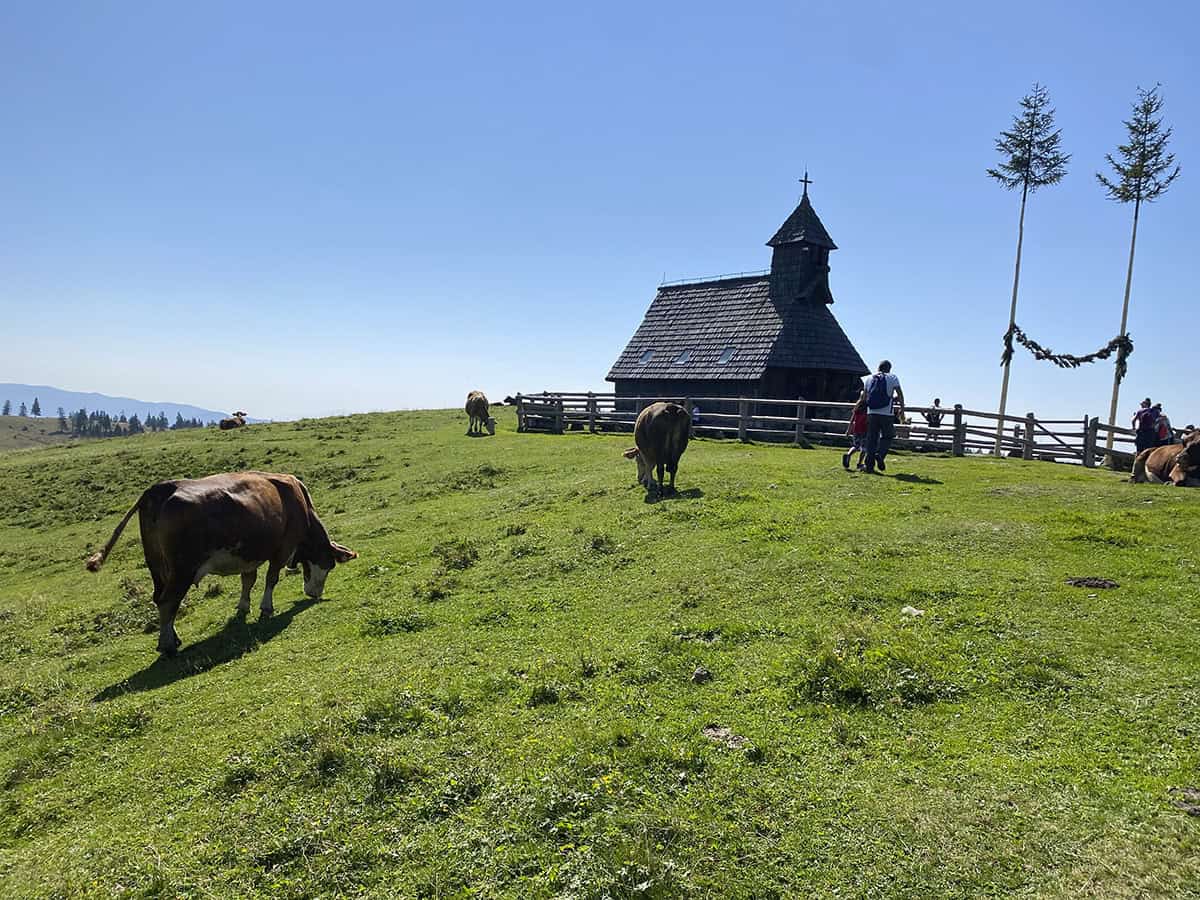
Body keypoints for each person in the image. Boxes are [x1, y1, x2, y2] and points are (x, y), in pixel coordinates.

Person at [862, 360, 904, 474]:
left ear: (878, 367)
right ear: (889, 368)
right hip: (886, 414)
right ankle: (880, 455)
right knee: (888, 436)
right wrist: (902, 410)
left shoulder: (869, 378)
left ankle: (869, 466)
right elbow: (900, 394)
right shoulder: (892, 378)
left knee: (871, 439)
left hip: (871, 413)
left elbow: (864, 397)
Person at [843, 395, 868, 470]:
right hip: (865, 431)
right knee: (864, 448)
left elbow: (852, 420)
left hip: (856, 430)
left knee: (855, 446)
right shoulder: (868, 408)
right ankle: (859, 463)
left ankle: (848, 455)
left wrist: (848, 430)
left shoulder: (857, 408)